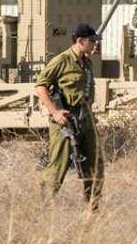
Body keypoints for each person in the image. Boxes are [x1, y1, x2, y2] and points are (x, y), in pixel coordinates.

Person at [34, 22, 104, 208]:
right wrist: (55, 112)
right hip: (65, 121)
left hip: (86, 120)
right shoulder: (61, 61)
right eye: (92, 41)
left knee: (95, 164)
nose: (95, 45)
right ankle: (44, 207)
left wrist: (91, 113)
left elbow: (83, 91)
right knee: (59, 165)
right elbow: (40, 87)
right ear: (80, 41)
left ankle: (93, 207)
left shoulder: (87, 63)